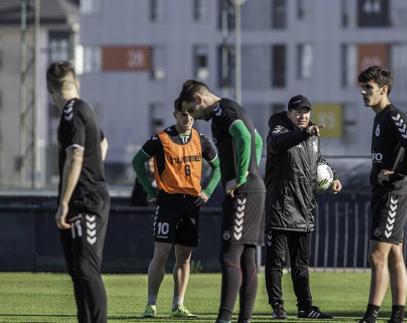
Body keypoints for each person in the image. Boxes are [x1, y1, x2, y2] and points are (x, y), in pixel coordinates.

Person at [176, 80, 265, 323]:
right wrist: (248, 171)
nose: (193, 116)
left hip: (244, 191)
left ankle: (223, 319)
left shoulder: (222, 112)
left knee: (229, 255)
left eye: (191, 110)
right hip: (250, 190)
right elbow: (258, 141)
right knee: (246, 258)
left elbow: (246, 138)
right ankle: (244, 319)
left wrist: (241, 176)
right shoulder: (231, 108)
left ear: (198, 98)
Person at [132, 99, 221, 318]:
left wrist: (208, 191)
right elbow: (137, 162)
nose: (188, 118)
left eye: (191, 114)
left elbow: (218, 167)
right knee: (161, 254)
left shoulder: (201, 140)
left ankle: (178, 305)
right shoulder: (161, 139)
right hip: (168, 202)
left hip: (191, 203)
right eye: (183, 114)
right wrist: (150, 191)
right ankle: (151, 305)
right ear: (175, 115)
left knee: (184, 257)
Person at [264, 95, 342, 320]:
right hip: (280, 207)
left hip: (304, 207)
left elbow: (319, 160)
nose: (303, 115)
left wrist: (334, 177)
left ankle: (305, 307)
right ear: (289, 114)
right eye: (298, 111)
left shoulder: (312, 136)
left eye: (306, 111)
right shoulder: (279, 130)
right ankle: (278, 307)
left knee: (301, 264)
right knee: (276, 262)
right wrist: (305, 132)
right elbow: (278, 144)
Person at [357, 66, 407, 323]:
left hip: (393, 194)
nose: (363, 92)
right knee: (394, 255)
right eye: (362, 88)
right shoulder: (378, 117)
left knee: (377, 255)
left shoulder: (393, 115)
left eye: (369, 88)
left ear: (383, 90)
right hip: (383, 194)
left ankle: (371, 315)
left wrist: (397, 175)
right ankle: (397, 316)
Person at [47, 61, 110, 323]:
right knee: (76, 269)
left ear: (50, 89)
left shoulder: (73, 111)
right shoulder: (83, 110)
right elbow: (103, 142)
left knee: (86, 268)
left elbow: (75, 155)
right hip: (81, 197)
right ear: (76, 83)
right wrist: (93, 169)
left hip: (86, 202)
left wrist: (64, 202)